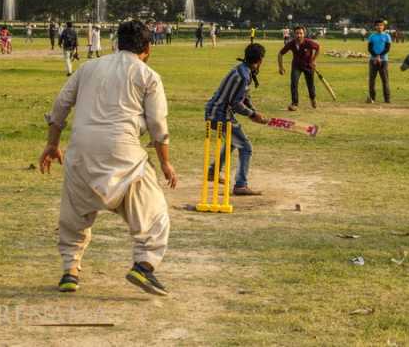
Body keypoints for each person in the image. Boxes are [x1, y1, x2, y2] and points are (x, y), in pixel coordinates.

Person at [39, 20, 176, 296]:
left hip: (81, 149)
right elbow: (157, 124)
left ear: (116, 43)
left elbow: (61, 104)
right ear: (148, 48)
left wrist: (52, 144)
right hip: (123, 153)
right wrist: (164, 162)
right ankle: (144, 265)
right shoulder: (148, 75)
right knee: (154, 213)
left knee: (74, 214)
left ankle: (70, 270)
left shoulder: (88, 68)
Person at [205, 43, 268, 196]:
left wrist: (254, 112)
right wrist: (252, 115)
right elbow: (236, 104)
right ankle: (240, 185)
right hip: (219, 114)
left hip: (215, 112)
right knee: (246, 147)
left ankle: (213, 171)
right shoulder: (243, 75)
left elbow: (244, 98)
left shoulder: (242, 69)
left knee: (233, 142)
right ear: (260, 60)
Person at [278, 26, 320, 111]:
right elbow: (280, 54)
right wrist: (281, 67)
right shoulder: (291, 43)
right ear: (294, 34)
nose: (299, 35)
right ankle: (294, 103)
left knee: (310, 84)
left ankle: (313, 98)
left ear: (304, 34)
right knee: (294, 83)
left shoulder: (309, 42)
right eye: (297, 33)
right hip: (296, 66)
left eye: (301, 33)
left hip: (308, 66)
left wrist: (313, 60)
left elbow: (318, 48)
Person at [366, 19, 392, 103]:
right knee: (372, 80)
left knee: (385, 80)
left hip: (384, 61)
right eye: (377, 25)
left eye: (381, 25)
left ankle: (387, 99)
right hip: (373, 60)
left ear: (383, 27)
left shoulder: (387, 36)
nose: (379, 27)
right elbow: (369, 49)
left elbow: (387, 49)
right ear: (375, 27)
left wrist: (379, 56)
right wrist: (376, 56)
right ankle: (372, 98)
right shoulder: (372, 36)